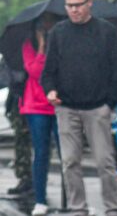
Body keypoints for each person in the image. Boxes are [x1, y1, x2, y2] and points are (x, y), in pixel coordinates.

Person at [41, 0, 117, 216]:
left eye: (78, 5)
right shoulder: (58, 32)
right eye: (69, 5)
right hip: (66, 107)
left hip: (98, 107)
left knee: (104, 163)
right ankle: (78, 209)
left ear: (89, 3)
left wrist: (110, 103)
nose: (74, 10)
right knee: (69, 162)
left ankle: (112, 208)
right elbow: (48, 72)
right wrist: (50, 90)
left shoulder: (105, 31)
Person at [20, 15, 59, 216]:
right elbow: (36, 71)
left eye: (49, 25)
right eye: (42, 26)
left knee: (67, 154)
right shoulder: (29, 45)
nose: (46, 29)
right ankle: (40, 200)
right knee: (41, 153)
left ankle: (72, 198)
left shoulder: (61, 42)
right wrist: (42, 46)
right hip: (36, 106)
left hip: (59, 104)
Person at [5, 52, 32, 197]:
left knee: (24, 139)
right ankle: (25, 177)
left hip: (28, 98)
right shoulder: (14, 51)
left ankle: (27, 177)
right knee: (22, 139)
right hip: (19, 98)